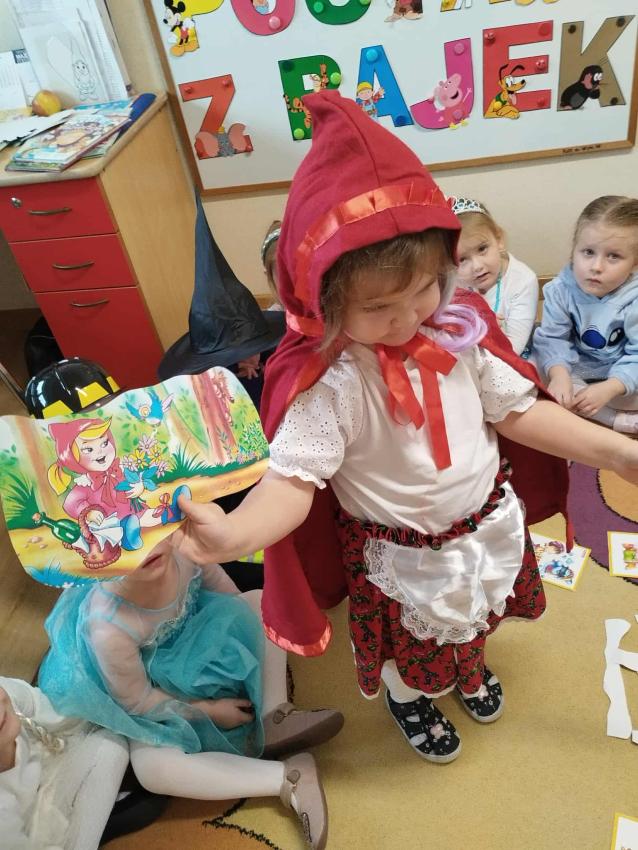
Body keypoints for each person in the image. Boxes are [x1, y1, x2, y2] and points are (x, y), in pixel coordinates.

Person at [173, 91, 638, 765]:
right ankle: (407, 696)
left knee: (476, 615)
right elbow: (293, 483)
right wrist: (235, 534)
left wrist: (615, 453)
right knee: (408, 650)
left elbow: (520, 412)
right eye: (378, 307)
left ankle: (469, 667)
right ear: (321, 302)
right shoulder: (332, 383)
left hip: (482, 526)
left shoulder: (460, 331)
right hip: (402, 558)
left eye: (425, 287)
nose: (408, 317)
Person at [37, 537, 342, 850]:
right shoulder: (107, 626)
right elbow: (138, 702)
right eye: (120, 541)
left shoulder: (184, 549)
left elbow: (232, 602)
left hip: (189, 645)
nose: (146, 547)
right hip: (144, 691)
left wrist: (241, 648)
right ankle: (287, 778)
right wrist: (208, 710)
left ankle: (275, 713)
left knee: (262, 600)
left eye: (151, 527)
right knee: (153, 769)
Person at [532, 195, 638, 433]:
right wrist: (559, 374)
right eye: (588, 252)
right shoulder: (560, 290)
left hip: (623, 377)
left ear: (635, 263)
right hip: (579, 369)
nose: (596, 267)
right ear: (574, 251)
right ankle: (614, 419)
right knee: (532, 368)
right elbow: (552, 338)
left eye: (613, 256)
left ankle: (604, 411)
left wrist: (612, 386)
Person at [0, 677, 128, 850]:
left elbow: (55, 715)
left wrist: (103, 708)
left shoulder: (8, 693)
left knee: (112, 746)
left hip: (46, 771)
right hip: (30, 831)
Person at [451, 196, 539, 355]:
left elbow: (514, 347)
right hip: (467, 355)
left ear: (499, 240)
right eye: (462, 259)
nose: (477, 266)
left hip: (511, 358)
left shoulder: (523, 281)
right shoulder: (453, 281)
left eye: (482, 249)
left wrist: (488, 333)